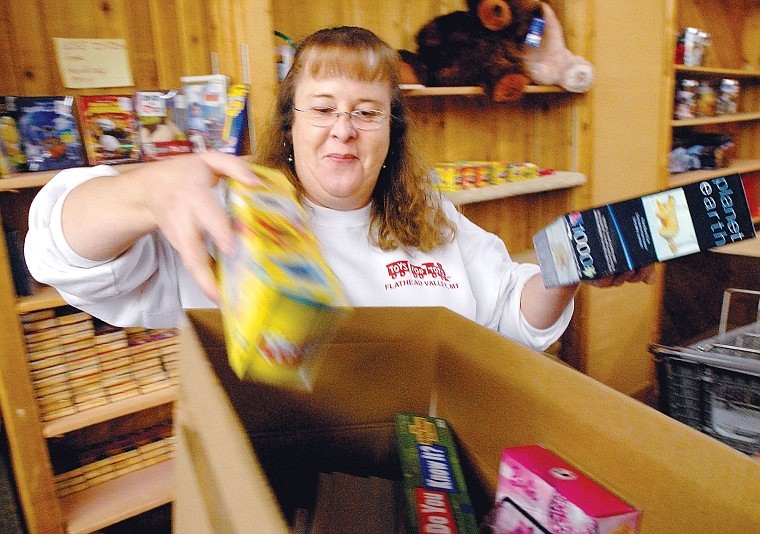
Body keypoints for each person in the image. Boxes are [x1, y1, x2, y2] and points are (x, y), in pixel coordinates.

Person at [25, 26, 652, 352]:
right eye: (322, 108)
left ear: (392, 130)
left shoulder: (429, 215)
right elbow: (60, 256)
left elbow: (508, 316)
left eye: (366, 112)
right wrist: (145, 191)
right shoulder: (230, 215)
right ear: (291, 122)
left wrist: (565, 268)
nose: (343, 132)